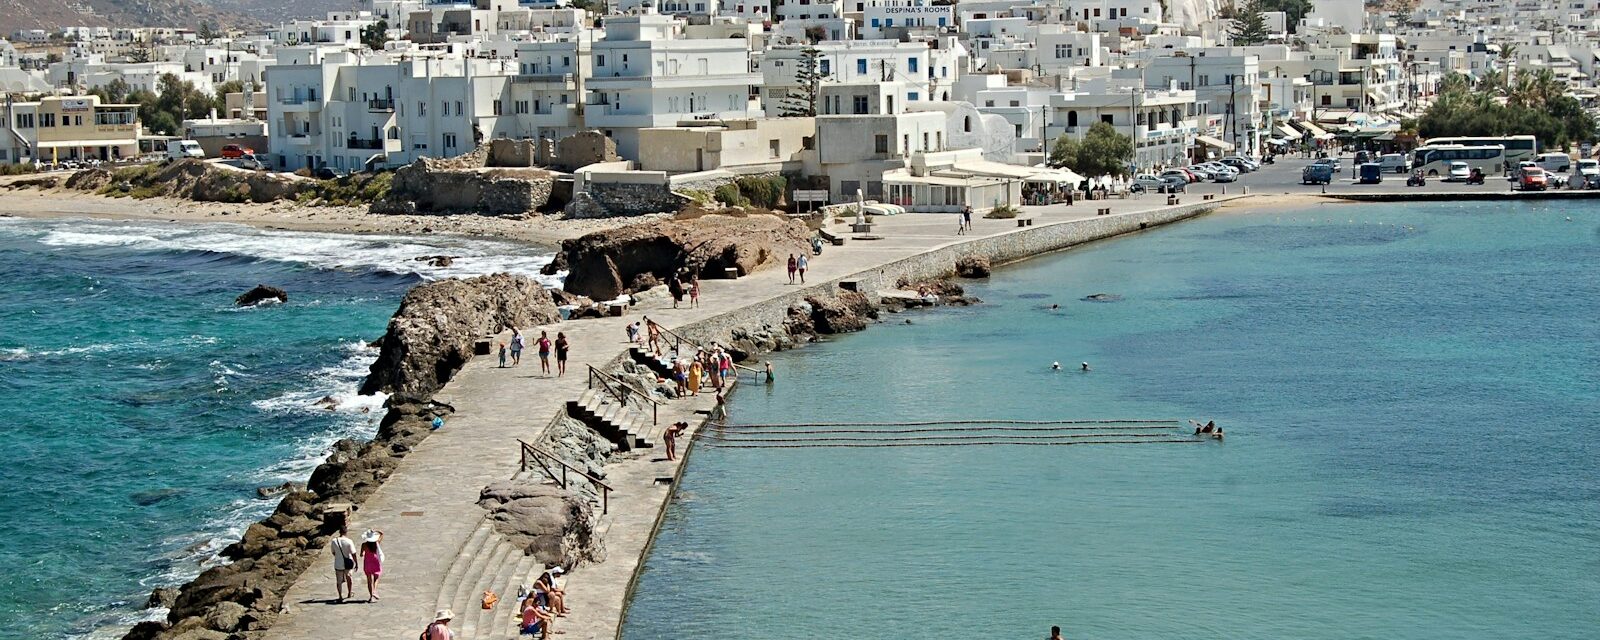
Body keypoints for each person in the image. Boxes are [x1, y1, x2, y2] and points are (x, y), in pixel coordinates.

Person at [329, 526, 357, 603]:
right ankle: (349, 592)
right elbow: (353, 553)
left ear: (339, 532)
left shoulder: (334, 541)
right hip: (348, 563)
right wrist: (356, 563)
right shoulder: (349, 541)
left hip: (338, 563)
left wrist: (338, 557)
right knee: (349, 578)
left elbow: (333, 552)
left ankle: (340, 596)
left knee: (339, 581)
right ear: (346, 532)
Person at [360, 529, 384, 602]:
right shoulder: (376, 543)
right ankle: (375, 590)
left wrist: (364, 553)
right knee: (376, 577)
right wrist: (376, 530)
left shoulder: (364, 545)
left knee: (369, 579)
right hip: (375, 561)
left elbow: (361, 554)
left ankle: (371, 596)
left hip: (367, 563)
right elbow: (382, 534)